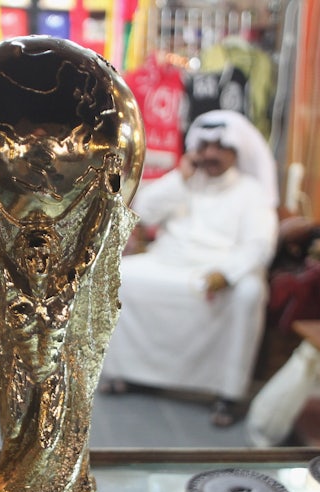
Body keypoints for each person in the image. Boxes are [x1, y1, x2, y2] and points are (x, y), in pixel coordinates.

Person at [102, 109, 279, 427]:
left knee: (249, 292)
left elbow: (259, 245)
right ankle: (126, 373)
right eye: (204, 146)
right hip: (169, 261)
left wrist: (227, 275)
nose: (210, 154)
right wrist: (180, 178)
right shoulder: (185, 182)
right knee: (120, 277)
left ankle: (228, 393)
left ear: (235, 152)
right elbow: (145, 211)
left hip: (220, 270)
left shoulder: (251, 192)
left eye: (219, 147)